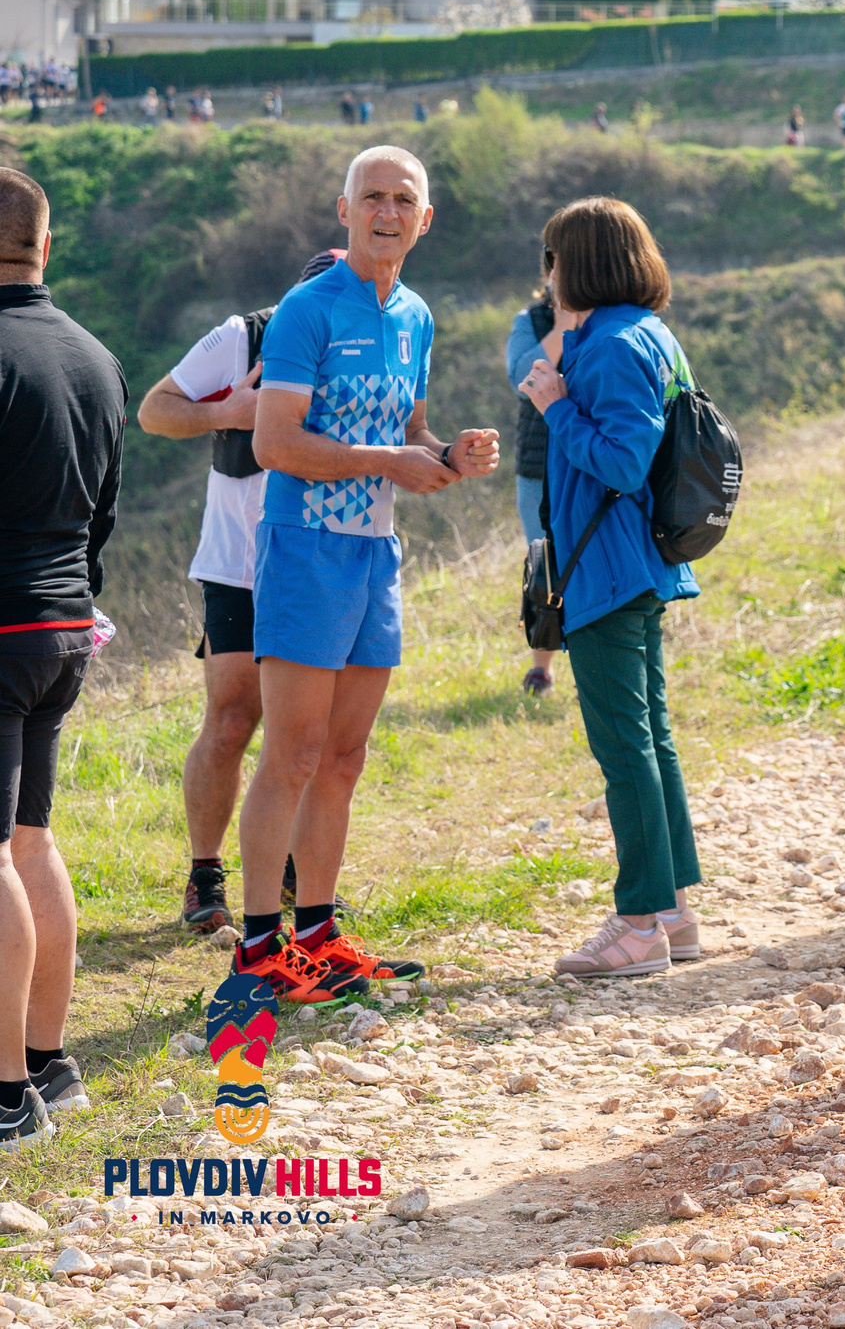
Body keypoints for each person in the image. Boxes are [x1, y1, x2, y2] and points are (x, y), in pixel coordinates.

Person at [234, 146, 503, 1006]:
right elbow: (272, 444)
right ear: (343, 209)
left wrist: (449, 454)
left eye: (404, 200)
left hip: (375, 553)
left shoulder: (416, 315)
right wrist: (388, 458)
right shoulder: (306, 311)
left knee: (344, 758)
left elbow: (413, 433)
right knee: (294, 753)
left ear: (425, 220)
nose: (387, 212)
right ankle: (257, 949)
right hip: (306, 546)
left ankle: (318, 932)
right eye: (372, 197)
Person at [518, 199, 706, 978]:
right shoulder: (647, 332)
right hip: (642, 562)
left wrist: (554, 405)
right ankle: (672, 910)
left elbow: (623, 461)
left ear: (577, 263)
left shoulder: (610, 347)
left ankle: (636, 923)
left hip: (605, 566)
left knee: (624, 747)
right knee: (650, 737)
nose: (548, 273)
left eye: (554, 258)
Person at [137, 248, 344, 933]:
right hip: (239, 563)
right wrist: (232, 409)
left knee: (311, 730)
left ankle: (297, 870)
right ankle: (205, 873)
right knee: (231, 720)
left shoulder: (365, 345)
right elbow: (156, 410)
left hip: (321, 558)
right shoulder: (240, 336)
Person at [0, 167, 125, 1144]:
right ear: (46, 245)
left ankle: (5, 1098)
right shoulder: (96, 357)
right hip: (65, 629)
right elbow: (104, 515)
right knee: (32, 841)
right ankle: (49, 1062)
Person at [505, 274, 561, 694]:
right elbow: (523, 378)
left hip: (592, 463)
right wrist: (564, 326)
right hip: (538, 465)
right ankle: (541, 667)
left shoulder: (608, 319)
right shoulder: (531, 321)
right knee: (545, 565)